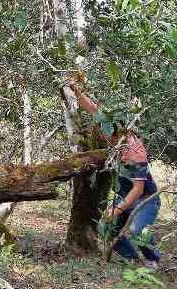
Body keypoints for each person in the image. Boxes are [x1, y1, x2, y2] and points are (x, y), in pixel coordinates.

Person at [66, 79, 161, 269]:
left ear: (117, 132)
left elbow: (138, 188)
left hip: (145, 199)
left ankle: (152, 258)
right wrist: (75, 89)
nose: (100, 132)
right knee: (108, 230)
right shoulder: (112, 130)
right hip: (125, 195)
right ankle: (133, 260)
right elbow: (93, 109)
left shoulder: (134, 152)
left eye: (103, 130)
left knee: (136, 230)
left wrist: (117, 209)